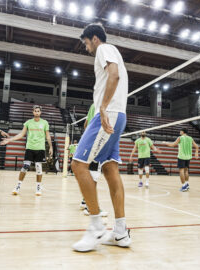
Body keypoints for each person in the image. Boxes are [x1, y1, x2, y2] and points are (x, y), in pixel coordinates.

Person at [71, 23, 131, 252]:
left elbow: (113, 75)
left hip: (109, 114)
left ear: (94, 39)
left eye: (86, 42)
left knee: (78, 165)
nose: (86, 47)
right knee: (109, 169)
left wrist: (103, 108)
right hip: (118, 115)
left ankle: (96, 226)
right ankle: (120, 232)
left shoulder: (105, 49)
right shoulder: (112, 51)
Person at [1, 105, 53, 196]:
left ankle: (38, 187)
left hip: (40, 148)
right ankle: (18, 186)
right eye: (35, 111)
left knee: (38, 167)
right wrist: (10, 139)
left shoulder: (45, 123)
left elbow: (48, 136)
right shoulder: (28, 122)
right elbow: (21, 134)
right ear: (33, 112)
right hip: (30, 148)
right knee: (25, 166)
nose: (37, 112)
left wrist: (51, 147)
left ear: (40, 112)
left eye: (38, 111)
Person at [80, 103, 108, 217]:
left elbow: (86, 124)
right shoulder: (105, 105)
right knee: (94, 174)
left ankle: (84, 201)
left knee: (91, 172)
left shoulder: (93, 105)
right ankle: (90, 207)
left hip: (90, 139)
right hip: (98, 141)